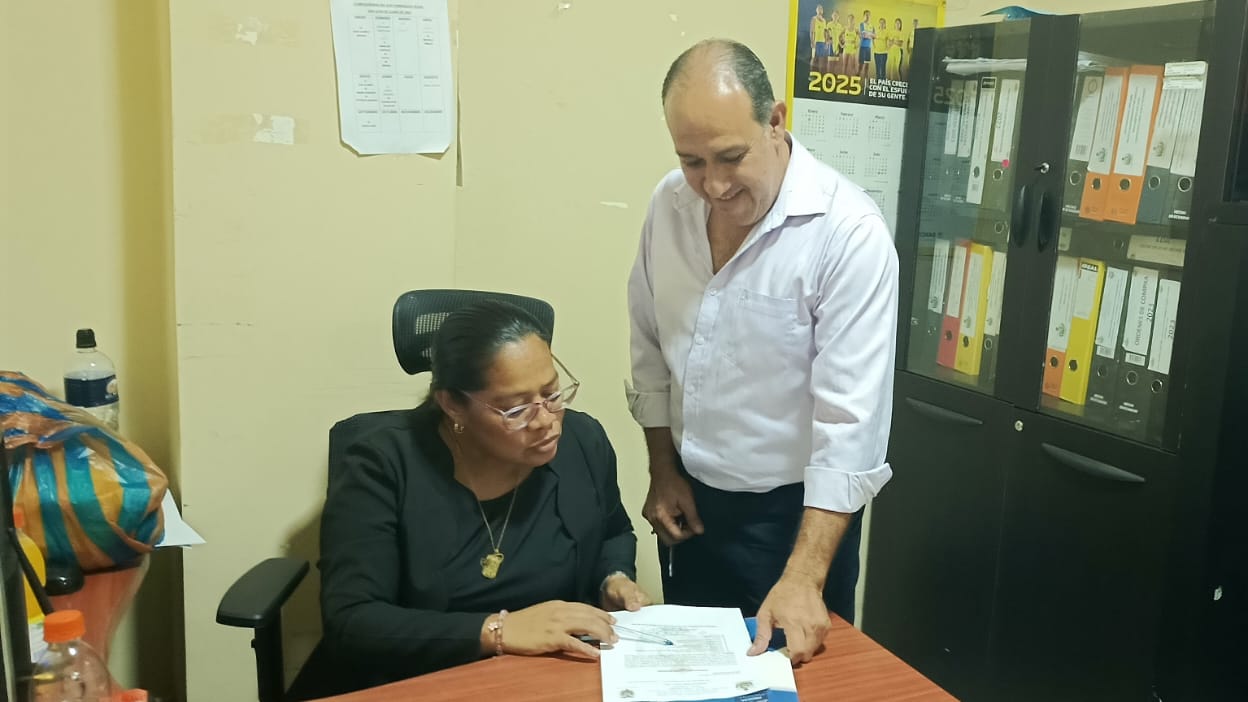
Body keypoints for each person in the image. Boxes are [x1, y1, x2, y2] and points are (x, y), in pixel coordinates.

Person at [626, 39, 897, 664]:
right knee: (689, 674)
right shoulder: (669, 206)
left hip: (796, 521)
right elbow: (649, 344)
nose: (714, 185)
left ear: (775, 121)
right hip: (691, 501)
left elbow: (850, 425)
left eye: (730, 157)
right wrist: (662, 468)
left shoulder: (847, 233)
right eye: (692, 161)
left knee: (791, 681)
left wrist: (804, 575)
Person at [288, 300, 647, 699]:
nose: (547, 421)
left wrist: (613, 577)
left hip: (546, 677)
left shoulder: (582, 441)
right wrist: (499, 630)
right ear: (452, 405)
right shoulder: (382, 464)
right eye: (516, 409)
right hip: (420, 681)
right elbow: (353, 622)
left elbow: (613, 530)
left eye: (552, 393)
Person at [808, 4, 829, 73]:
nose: (820, 10)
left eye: (821, 9)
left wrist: (826, 42)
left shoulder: (824, 20)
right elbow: (811, 31)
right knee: (814, 58)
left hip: (822, 42)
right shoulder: (814, 19)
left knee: (821, 59)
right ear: (816, 10)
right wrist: (812, 42)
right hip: (816, 41)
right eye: (819, 9)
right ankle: (812, 73)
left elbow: (825, 32)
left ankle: (820, 73)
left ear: (822, 11)